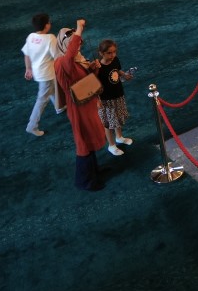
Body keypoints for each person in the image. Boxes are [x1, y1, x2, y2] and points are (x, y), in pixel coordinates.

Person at [53, 20, 107, 191]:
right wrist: (79, 29)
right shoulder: (62, 62)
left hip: (87, 104)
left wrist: (93, 68)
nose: (77, 48)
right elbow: (69, 56)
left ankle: (94, 173)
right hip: (78, 109)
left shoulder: (77, 60)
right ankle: (85, 181)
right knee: (83, 144)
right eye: (74, 45)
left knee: (89, 141)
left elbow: (84, 79)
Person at [22, 13, 62, 137]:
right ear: (46, 25)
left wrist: (28, 68)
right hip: (47, 73)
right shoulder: (50, 38)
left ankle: (59, 106)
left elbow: (27, 54)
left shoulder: (31, 36)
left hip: (38, 71)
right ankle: (32, 126)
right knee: (42, 99)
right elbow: (57, 57)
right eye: (49, 22)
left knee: (52, 89)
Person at [95, 40, 134, 156]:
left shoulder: (115, 60)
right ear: (101, 53)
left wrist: (124, 75)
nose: (113, 55)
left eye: (114, 52)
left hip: (118, 95)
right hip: (106, 100)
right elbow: (94, 84)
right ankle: (111, 145)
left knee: (117, 118)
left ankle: (119, 137)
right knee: (108, 123)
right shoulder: (98, 67)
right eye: (109, 53)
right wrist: (97, 99)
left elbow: (117, 70)